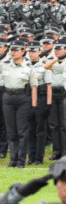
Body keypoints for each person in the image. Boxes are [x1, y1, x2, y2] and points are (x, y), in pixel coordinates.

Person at [0, 39, 38, 167]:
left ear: (23, 51)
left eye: (17, 50)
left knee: (22, 131)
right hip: (8, 97)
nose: (13, 52)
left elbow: (34, 87)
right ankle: (13, 159)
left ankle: (21, 160)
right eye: (12, 50)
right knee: (11, 131)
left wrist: (33, 105)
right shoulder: (4, 64)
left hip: (23, 98)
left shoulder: (29, 67)